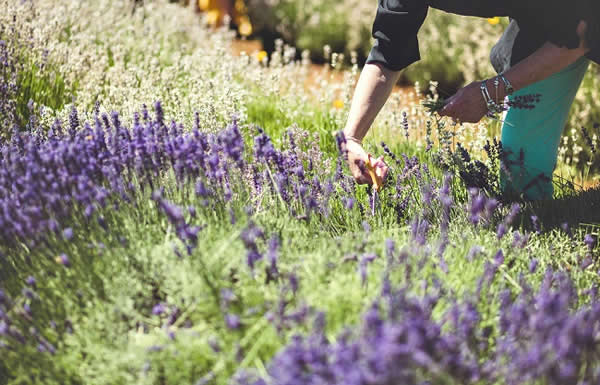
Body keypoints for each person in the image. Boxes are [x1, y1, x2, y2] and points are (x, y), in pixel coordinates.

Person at [343, 1, 599, 200]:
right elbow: (389, 47)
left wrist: (489, 92)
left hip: (579, 18)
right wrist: (351, 139)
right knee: (522, 170)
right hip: (549, 23)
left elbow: (581, 32)